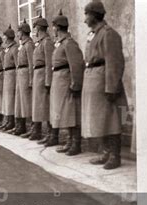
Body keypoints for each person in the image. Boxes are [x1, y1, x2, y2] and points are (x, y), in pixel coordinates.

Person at [82, 1, 126, 169]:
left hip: (104, 81)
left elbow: (115, 62)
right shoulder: (94, 34)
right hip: (94, 79)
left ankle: (115, 155)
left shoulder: (108, 34)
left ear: (94, 15)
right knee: (100, 120)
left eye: (86, 15)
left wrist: (111, 87)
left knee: (112, 119)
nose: (84, 19)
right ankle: (106, 152)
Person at [50, 10, 85, 156]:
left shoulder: (69, 43)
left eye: (53, 26)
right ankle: (69, 141)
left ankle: (76, 143)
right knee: (65, 113)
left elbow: (76, 65)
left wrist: (75, 84)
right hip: (59, 80)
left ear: (58, 27)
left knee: (72, 113)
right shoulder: (60, 44)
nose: (53, 29)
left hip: (66, 81)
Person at [28, 15, 54, 141]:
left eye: (36, 29)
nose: (35, 32)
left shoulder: (47, 42)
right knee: (38, 105)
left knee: (46, 105)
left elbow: (49, 63)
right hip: (38, 75)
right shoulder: (39, 43)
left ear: (39, 29)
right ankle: (36, 131)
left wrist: (48, 81)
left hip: (43, 75)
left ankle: (50, 134)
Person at [11, 19, 34, 136]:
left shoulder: (29, 45)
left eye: (19, 31)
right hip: (20, 74)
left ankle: (31, 128)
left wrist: (31, 79)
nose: (17, 34)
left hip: (25, 73)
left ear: (23, 32)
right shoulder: (22, 46)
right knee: (19, 102)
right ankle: (20, 126)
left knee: (26, 102)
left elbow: (31, 63)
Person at [0, 25, 19, 131]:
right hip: (7, 74)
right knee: (7, 99)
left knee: (12, 99)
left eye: (4, 36)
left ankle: (13, 122)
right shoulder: (7, 49)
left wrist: (17, 78)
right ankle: (8, 120)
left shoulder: (14, 48)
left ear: (8, 37)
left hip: (12, 74)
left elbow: (17, 64)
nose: (3, 38)